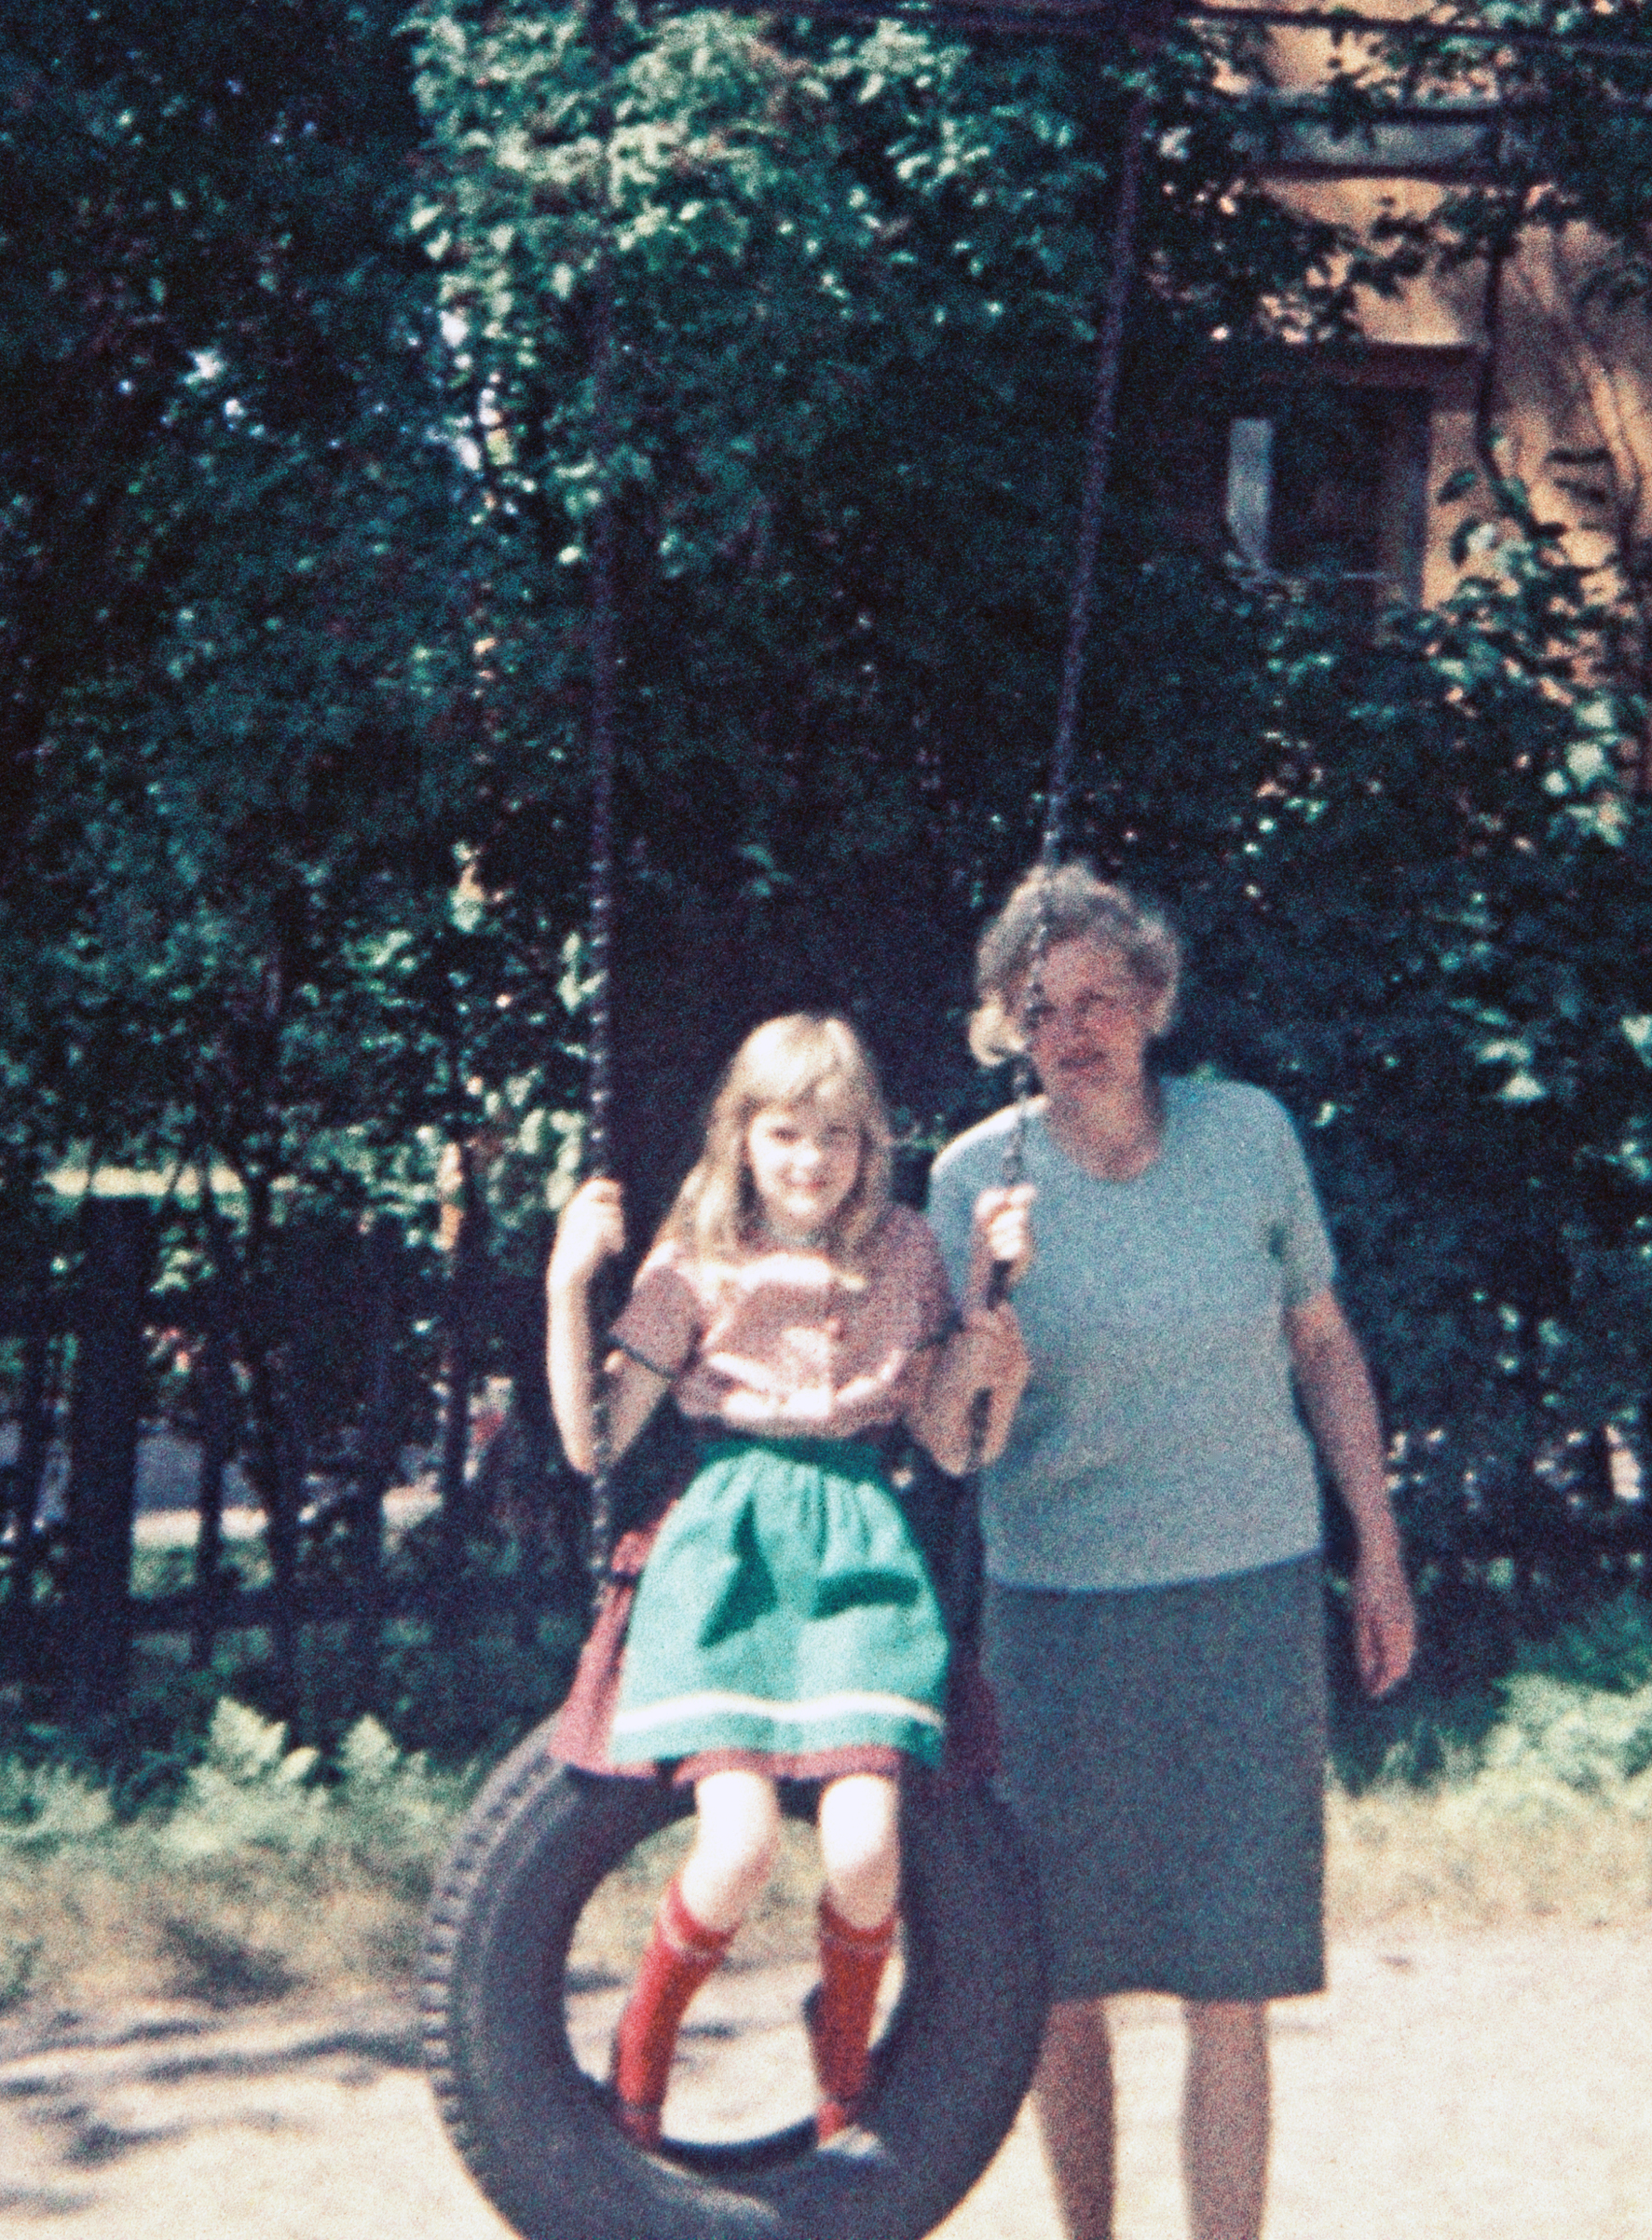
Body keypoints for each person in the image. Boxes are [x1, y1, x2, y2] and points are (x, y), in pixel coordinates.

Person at [926, 864, 1416, 2240]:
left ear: (1152, 1001)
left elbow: (1323, 1347)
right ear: (1005, 1030)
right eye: (1041, 1010)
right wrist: (984, 1312)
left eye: (1098, 999)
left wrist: (1375, 1553)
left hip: (1247, 1596)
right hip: (1060, 1614)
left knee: (1229, 1977)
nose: (1073, 1031)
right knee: (1058, 1981)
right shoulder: (976, 1177)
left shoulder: (1247, 1134)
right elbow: (957, 1443)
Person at [544, 1009, 1031, 2146]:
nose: (811, 1161)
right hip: (728, 1552)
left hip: (860, 1547)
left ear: (871, 1147)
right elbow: (595, 1446)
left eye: (839, 1136)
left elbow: (958, 1446)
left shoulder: (907, 1250)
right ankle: (644, 2040)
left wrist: (992, 1349)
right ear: (741, 1137)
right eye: (784, 1134)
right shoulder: (695, 1255)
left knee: (867, 1844)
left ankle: (842, 2041)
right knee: (740, 1839)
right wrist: (570, 1286)